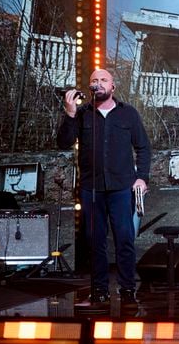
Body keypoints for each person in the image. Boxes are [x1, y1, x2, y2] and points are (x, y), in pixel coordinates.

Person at [57, 69, 151, 305]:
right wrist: (69, 115)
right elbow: (63, 143)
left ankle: (127, 289)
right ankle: (99, 290)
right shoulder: (81, 114)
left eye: (103, 80)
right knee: (95, 240)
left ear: (113, 87)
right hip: (91, 188)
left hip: (122, 188)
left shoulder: (127, 114)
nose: (98, 84)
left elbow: (143, 148)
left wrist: (142, 178)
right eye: (94, 81)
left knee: (124, 238)